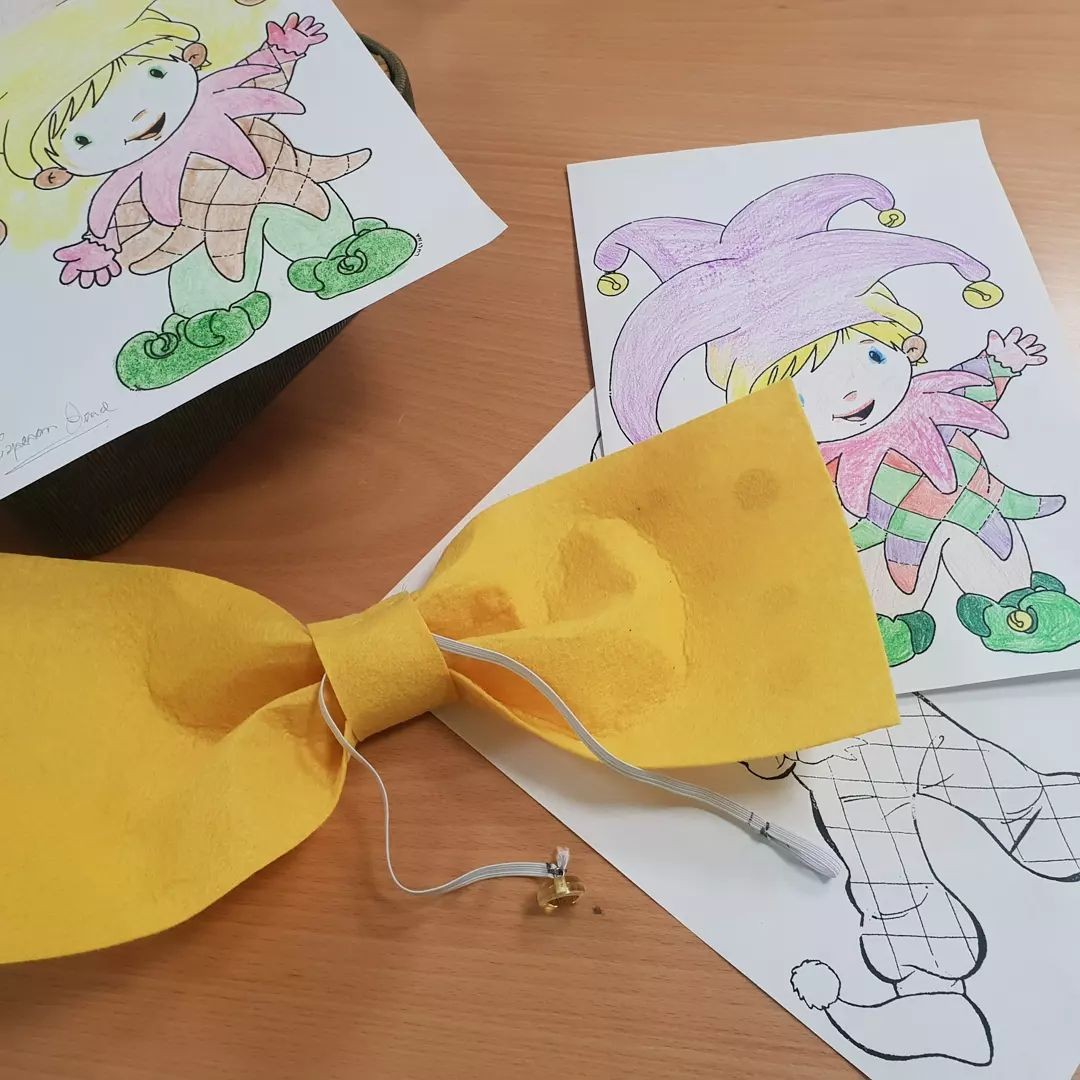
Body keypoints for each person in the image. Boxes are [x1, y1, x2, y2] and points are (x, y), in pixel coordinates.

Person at [593, 174, 1080, 664]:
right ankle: (891, 628)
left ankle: (1019, 608)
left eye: (873, 357)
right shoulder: (817, 455)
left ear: (909, 347)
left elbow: (969, 387)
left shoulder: (930, 399)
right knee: (890, 580)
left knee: (993, 551)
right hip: (891, 529)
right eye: (801, 396)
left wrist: (1000, 363)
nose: (850, 393)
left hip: (978, 502)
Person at [0, 2, 416, 389]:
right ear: (55, 175)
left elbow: (256, 80)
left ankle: (345, 253)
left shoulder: (224, 98)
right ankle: (202, 328)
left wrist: (282, 52)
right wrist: (107, 251)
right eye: (84, 138)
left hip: (280, 184)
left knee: (308, 207)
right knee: (201, 273)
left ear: (190, 57)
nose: (137, 116)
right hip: (200, 235)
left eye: (154, 75)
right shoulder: (128, 188)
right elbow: (125, 221)